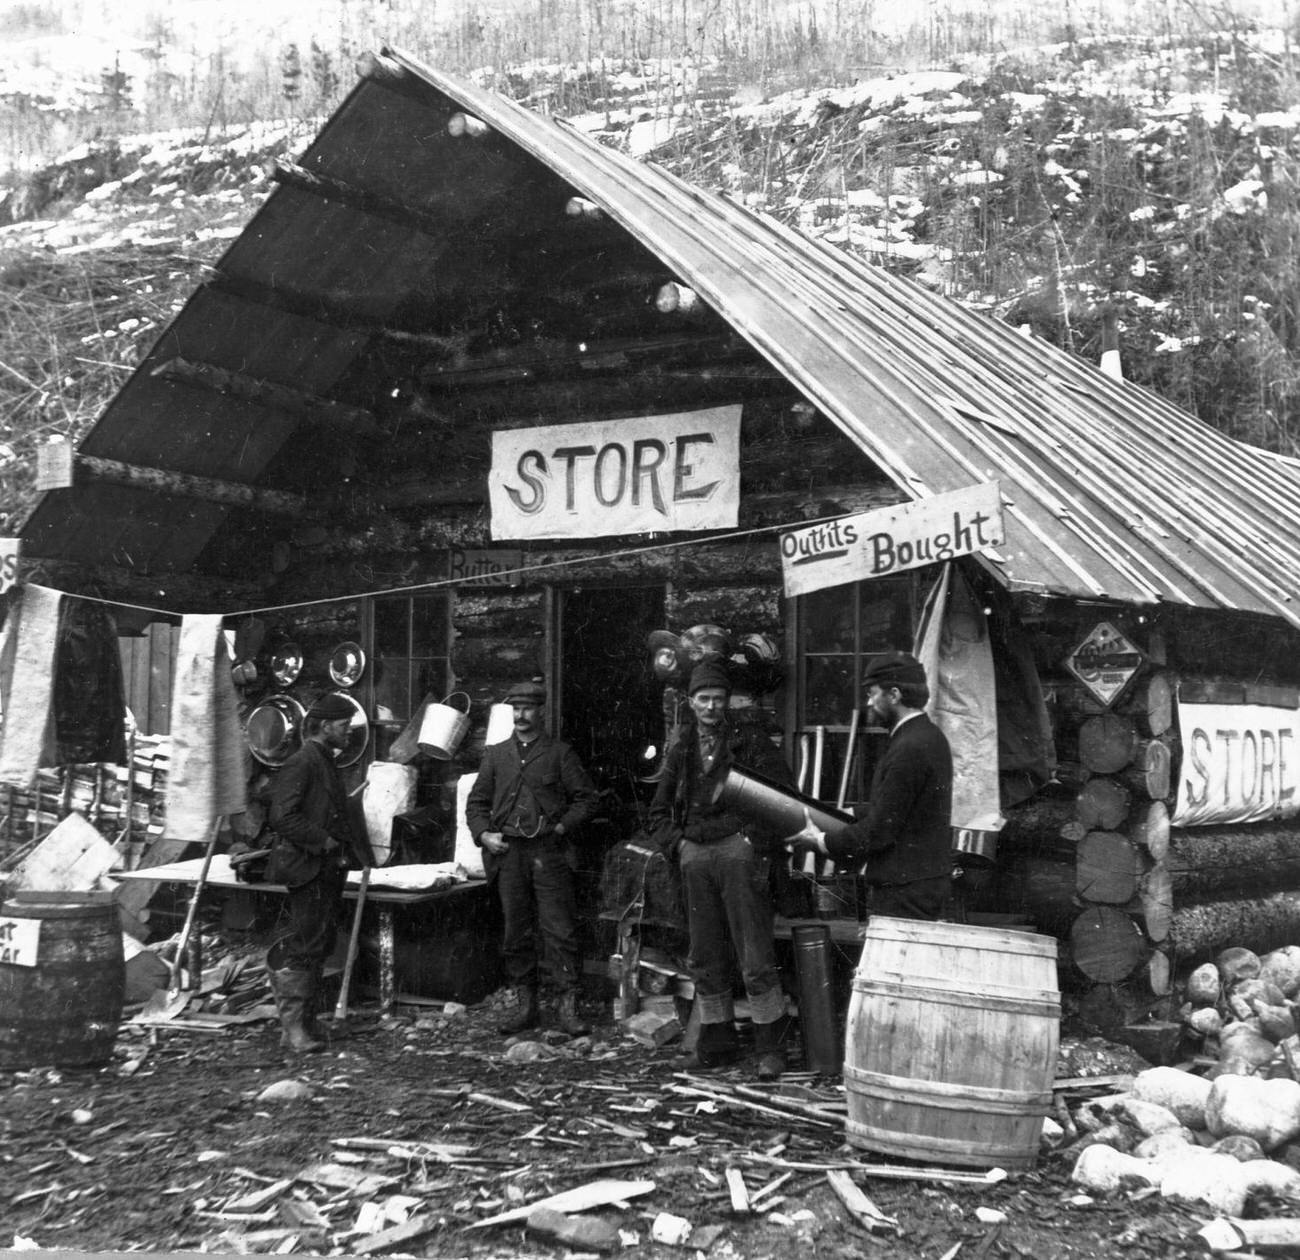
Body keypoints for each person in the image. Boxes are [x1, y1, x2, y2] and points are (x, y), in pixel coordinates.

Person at [648, 660, 793, 1080]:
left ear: (728, 701)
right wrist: (679, 846)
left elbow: (782, 798)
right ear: (690, 703)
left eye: (718, 699)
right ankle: (717, 1044)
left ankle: (771, 1048)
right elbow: (658, 812)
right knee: (706, 954)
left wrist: (750, 842)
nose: (711, 706)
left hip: (738, 853)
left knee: (755, 954)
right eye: (704, 699)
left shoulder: (749, 740)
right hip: (695, 856)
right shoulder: (682, 747)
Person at [466, 678, 598, 1036]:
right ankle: (527, 1007)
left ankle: (567, 1007)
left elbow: (586, 800)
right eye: (516, 709)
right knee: (516, 932)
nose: (521, 716)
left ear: (541, 712)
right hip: (508, 855)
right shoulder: (496, 754)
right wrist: (484, 834)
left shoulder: (560, 753)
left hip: (548, 853)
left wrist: (559, 829)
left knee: (560, 931)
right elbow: (476, 803)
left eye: (527, 709)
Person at [787, 651, 953, 920]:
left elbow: (881, 830)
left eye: (872, 693)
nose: (869, 702)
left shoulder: (909, 746)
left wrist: (820, 842)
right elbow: (903, 807)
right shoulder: (927, 736)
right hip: (918, 882)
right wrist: (852, 814)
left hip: (904, 889)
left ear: (894, 695)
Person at [265, 692, 368, 1053]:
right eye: (344, 725)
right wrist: (322, 841)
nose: (349, 732)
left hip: (325, 869)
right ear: (325, 727)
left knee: (319, 941)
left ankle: (304, 1024)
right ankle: (293, 1030)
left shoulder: (324, 760)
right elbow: (282, 816)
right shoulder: (303, 762)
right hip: (307, 867)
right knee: (306, 943)